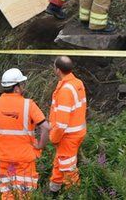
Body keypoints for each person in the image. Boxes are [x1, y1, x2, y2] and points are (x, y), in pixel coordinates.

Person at [0, 68, 50, 200]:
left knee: (8, 193)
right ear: (16, 88)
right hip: (25, 158)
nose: (23, 87)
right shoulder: (29, 104)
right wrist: (40, 145)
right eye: (22, 84)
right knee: (26, 194)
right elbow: (45, 127)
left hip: (3, 158)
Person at [47, 56, 87, 195]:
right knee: (61, 162)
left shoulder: (65, 90)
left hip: (67, 135)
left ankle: (74, 194)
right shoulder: (77, 83)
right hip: (76, 132)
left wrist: (53, 138)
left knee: (68, 168)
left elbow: (61, 123)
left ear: (57, 70)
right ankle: (54, 190)